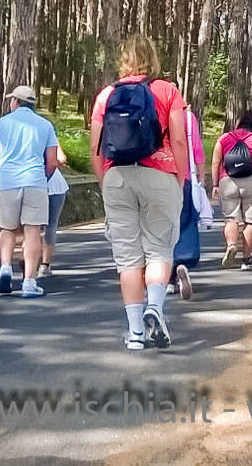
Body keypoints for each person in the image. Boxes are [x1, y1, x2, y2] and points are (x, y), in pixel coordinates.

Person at [90, 35, 189, 351]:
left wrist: (105, 180)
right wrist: (181, 179)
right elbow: (178, 140)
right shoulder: (167, 90)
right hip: (159, 174)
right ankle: (155, 307)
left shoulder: (107, 95)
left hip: (117, 175)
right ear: (153, 58)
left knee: (127, 258)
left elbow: (96, 147)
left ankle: (134, 333)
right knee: (159, 249)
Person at [0, 85, 60, 298]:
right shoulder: (45, 125)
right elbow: (53, 161)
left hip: (8, 180)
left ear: (16, 102)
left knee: (7, 228)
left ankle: (5, 268)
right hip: (35, 180)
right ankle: (29, 281)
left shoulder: (1, 124)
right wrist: (42, 178)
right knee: (33, 231)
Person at [210, 110, 252, 271]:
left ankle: (231, 245)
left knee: (231, 219)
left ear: (238, 123)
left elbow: (216, 162)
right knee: (250, 222)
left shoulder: (224, 138)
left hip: (228, 180)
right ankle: (247, 259)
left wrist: (215, 184)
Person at [170, 106, 208, 299]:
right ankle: (183, 261)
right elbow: (196, 148)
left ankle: (166, 277)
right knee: (185, 223)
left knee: (159, 227)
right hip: (183, 178)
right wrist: (201, 178)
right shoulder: (186, 116)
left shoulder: (150, 109)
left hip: (156, 177)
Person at [42, 146, 70, 278]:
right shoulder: (48, 130)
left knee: (30, 225)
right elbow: (61, 158)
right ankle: (44, 264)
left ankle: (30, 260)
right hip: (54, 183)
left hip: (29, 182)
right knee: (51, 224)